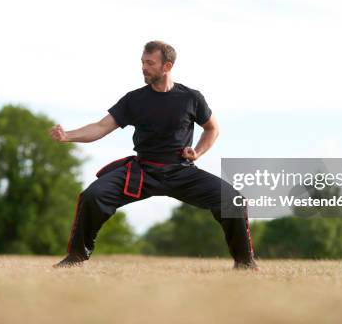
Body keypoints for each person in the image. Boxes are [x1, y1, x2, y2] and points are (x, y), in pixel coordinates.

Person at [50, 40, 258, 270]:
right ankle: (76, 256)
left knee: (232, 200)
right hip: (142, 172)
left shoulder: (191, 97)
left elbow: (212, 128)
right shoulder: (134, 99)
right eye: (142, 62)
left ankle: (245, 262)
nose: (144, 67)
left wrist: (197, 151)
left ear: (167, 66)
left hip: (181, 171)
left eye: (150, 63)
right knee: (93, 196)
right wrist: (67, 136)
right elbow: (100, 127)